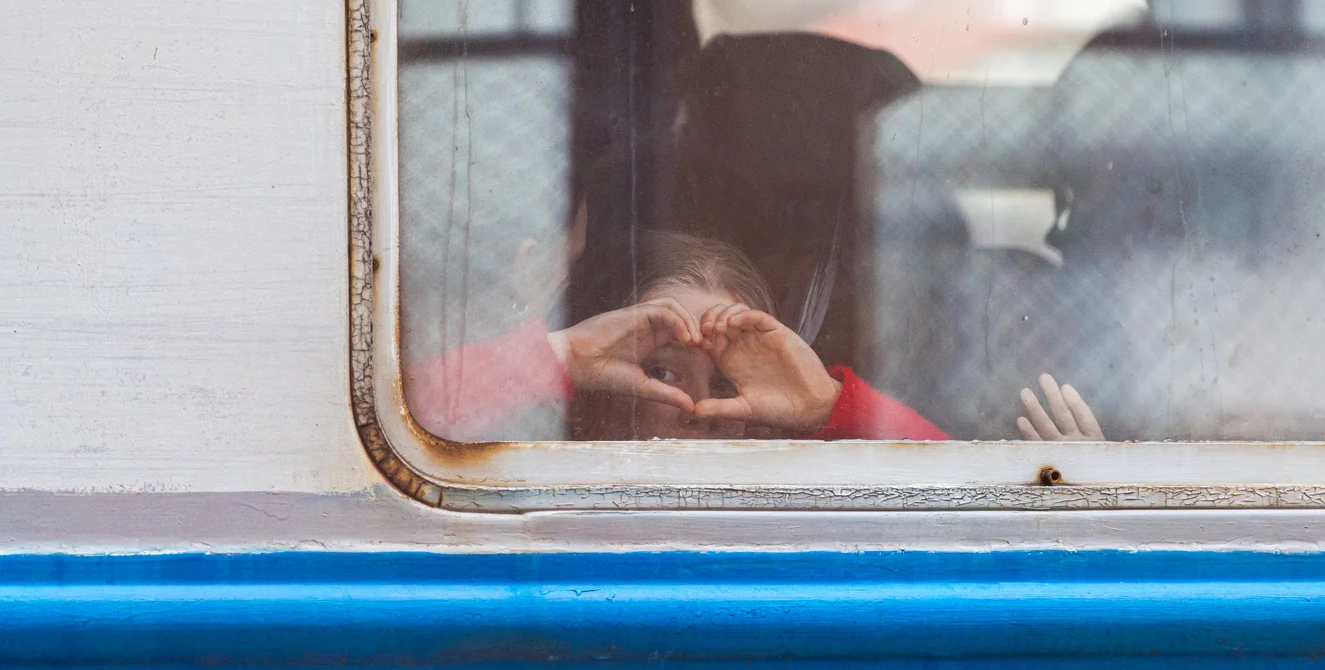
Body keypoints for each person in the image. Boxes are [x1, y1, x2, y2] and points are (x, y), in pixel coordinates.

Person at [409, 230, 1107, 443]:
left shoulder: (780, 499)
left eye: (728, 383)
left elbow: (940, 499)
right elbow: (410, 417)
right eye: (661, 372)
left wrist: (829, 406)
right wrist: (562, 356)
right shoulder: (540, 484)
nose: (699, 410)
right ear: (593, 397)